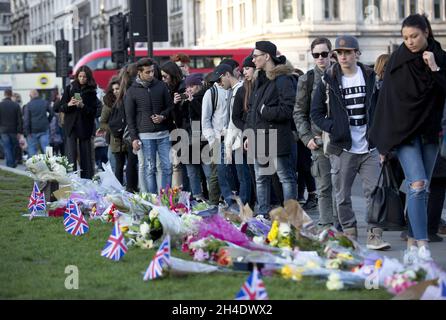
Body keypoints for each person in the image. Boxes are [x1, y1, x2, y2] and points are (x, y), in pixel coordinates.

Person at [369, 14, 446, 262]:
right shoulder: (397, 62)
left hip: (429, 132)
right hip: (403, 134)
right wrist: (383, 143)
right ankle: (421, 245)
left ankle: (413, 243)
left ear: (426, 33)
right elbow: (386, 103)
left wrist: (434, 68)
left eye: (414, 36)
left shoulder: (439, 57)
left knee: (422, 190)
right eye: (405, 38)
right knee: (418, 183)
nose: (410, 42)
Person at [311, 35, 391, 250]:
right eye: (340, 53)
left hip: (369, 146)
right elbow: (315, 112)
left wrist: (382, 139)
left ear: (357, 53)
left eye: (348, 52)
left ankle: (375, 235)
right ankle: (349, 234)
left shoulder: (371, 77)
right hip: (342, 147)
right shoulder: (328, 80)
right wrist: (333, 127)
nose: (343, 56)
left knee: (375, 193)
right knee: (342, 196)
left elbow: (383, 108)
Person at [245, 41, 297, 217]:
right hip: (259, 137)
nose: (253, 60)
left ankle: (291, 215)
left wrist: (265, 111)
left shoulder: (283, 79)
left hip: (277, 137)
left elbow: (288, 109)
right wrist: (248, 135)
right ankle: (263, 212)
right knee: (261, 178)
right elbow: (252, 111)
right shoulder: (259, 79)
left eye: (256, 55)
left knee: (285, 177)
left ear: (267, 56)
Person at [294, 37, 337, 228]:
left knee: (342, 187)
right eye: (316, 55)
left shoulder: (340, 74)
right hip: (319, 140)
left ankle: (344, 224)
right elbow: (299, 112)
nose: (320, 58)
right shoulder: (307, 79)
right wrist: (307, 137)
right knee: (324, 186)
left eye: (324, 54)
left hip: (342, 138)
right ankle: (327, 226)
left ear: (331, 53)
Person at [125, 58, 174, 194]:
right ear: (139, 73)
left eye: (152, 71)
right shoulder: (132, 91)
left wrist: (162, 116)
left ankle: (165, 199)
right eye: (148, 72)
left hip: (163, 134)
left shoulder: (161, 86)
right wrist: (134, 138)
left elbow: (170, 107)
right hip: (145, 136)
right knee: (149, 168)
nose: (151, 74)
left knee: (167, 167)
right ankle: (153, 200)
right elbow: (130, 118)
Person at [59, 66, 98, 179]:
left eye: (84, 77)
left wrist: (82, 106)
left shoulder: (91, 91)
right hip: (71, 126)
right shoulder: (70, 88)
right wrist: (69, 104)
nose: (82, 79)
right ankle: (71, 180)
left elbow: (93, 111)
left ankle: (87, 180)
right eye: (80, 76)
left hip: (85, 127)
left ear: (88, 78)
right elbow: (60, 107)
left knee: (86, 156)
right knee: (71, 156)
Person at [23, 90, 53, 156]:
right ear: (38, 95)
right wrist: (48, 121)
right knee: (46, 148)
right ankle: (50, 164)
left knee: (32, 150)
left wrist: (27, 132)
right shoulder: (45, 102)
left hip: (32, 131)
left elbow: (26, 120)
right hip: (44, 128)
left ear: (30, 96)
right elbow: (52, 113)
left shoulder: (28, 105)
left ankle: (33, 166)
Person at [0, 89, 23, 168]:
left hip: (3, 130)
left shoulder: (1, 105)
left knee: (7, 147)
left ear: (4, 94)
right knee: (14, 147)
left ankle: (10, 164)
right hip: (14, 130)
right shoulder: (16, 105)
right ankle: (12, 163)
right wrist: (19, 131)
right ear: (11, 95)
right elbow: (20, 119)